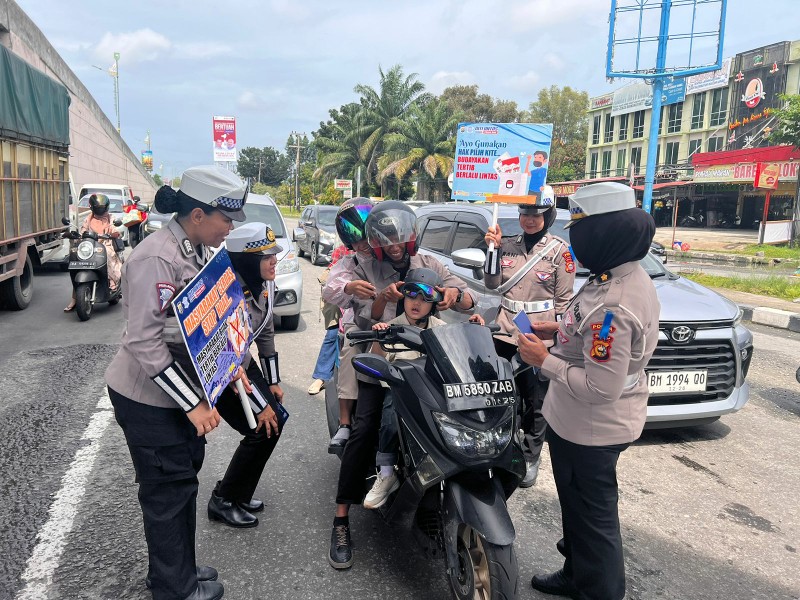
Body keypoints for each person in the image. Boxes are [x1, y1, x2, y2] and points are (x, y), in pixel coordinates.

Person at [105, 165, 248, 600]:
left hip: (175, 395)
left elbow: (203, 322)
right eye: (227, 219)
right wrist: (194, 404)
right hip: (151, 400)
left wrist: (230, 359)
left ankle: (180, 569)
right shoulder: (157, 257)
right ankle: (174, 589)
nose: (231, 228)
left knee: (183, 485)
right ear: (199, 214)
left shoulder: (195, 249)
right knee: (167, 496)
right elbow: (145, 342)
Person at [516, 182, 660, 600]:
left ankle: (598, 589)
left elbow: (600, 387)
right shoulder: (619, 272)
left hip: (591, 428)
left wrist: (545, 361)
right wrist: (556, 330)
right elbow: (583, 326)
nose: (577, 245)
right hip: (574, 421)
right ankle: (575, 573)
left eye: (583, 235)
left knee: (595, 524)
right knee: (577, 512)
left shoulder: (614, 304)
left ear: (603, 237)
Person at [329, 200, 476, 570]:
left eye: (399, 237)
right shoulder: (365, 265)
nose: (394, 245)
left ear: (411, 234)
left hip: (428, 364)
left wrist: (457, 297)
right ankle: (342, 518)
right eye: (386, 238)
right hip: (381, 362)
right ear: (374, 239)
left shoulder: (431, 264)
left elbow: (467, 297)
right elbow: (355, 307)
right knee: (364, 430)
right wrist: (379, 297)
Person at [363, 268, 485, 509]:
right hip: (401, 392)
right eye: (411, 296)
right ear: (403, 298)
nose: (416, 303)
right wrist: (379, 339)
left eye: (424, 299)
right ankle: (387, 472)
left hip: (433, 393)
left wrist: (474, 327)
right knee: (389, 415)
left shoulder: (442, 328)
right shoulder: (390, 327)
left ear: (434, 303)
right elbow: (377, 362)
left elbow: (462, 355)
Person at [483, 186, 574, 487]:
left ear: (548, 215)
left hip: (537, 334)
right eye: (525, 214)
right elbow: (492, 281)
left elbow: (563, 303)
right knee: (501, 393)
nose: (530, 220)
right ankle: (500, 446)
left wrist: (559, 336)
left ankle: (531, 455)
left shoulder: (559, 251)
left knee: (537, 400)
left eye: (537, 215)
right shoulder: (506, 244)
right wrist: (493, 250)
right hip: (505, 329)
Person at [206, 222, 285, 529]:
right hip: (222, 370)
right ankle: (223, 500)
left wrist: (274, 381)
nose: (274, 261)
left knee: (274, 422)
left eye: (274, 254)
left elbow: (266, 332)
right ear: (248, 260)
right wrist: (259, 402)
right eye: (266, 256)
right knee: (261, 429)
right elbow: (222, 355)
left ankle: (238, 493)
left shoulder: (262, 285)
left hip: (242, 362)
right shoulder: (226, 293)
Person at [321, 198, 377, 453]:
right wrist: (348, 286)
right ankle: (345, 423)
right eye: (354, 235)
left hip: (399, 324)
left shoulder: (398, 256)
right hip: (361, 325)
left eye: (366, 233)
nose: (362, 240)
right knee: (350, 350)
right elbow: (329, 291)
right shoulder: (350, 264)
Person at [308, 240, 354, 396]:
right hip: (341, 297)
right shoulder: (343, 250)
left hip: (364, 303)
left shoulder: (378, 250)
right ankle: (321, 376)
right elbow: (332, 275)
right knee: (333, 334)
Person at [64, 193, 123, 312]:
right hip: (90, 246)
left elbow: (115, 230)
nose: (100, 210)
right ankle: (75, 299)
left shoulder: (110, 218)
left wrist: (113, 233)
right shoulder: (88, 218)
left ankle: (112, 281)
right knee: (76, 262)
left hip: (105, 245)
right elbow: (83, 230)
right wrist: (74, 235)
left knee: (109, 255)